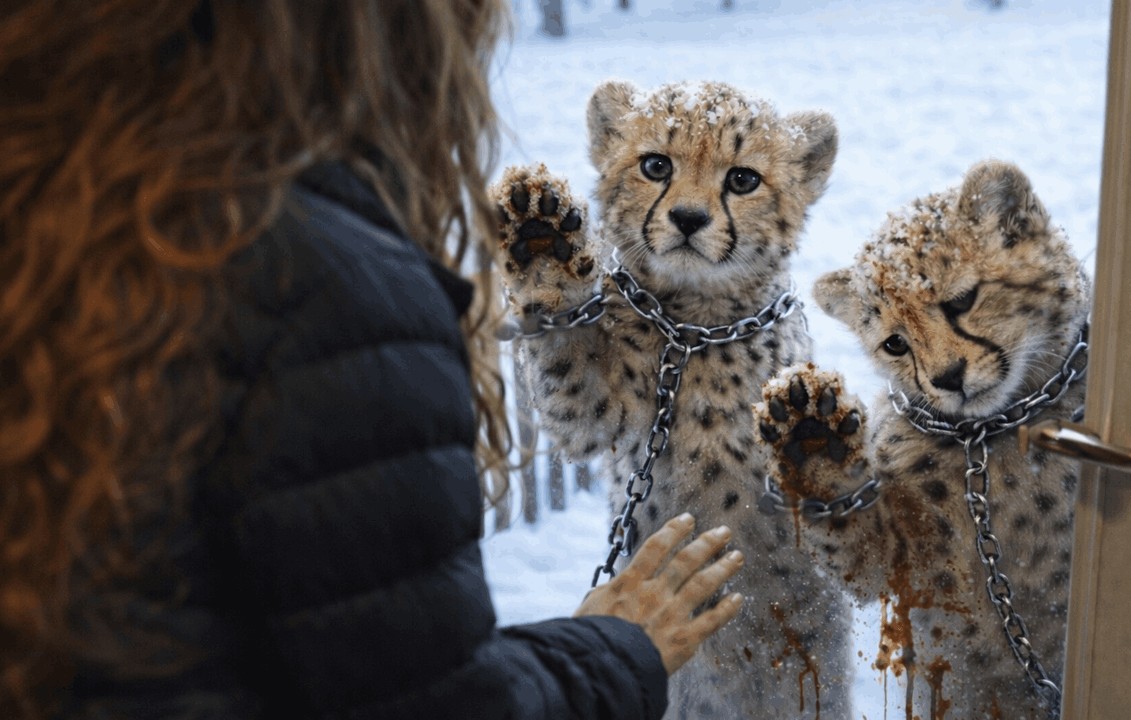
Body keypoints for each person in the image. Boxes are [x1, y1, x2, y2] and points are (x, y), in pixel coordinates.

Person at [0, 1, 745, 718]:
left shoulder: (53, 207)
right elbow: (435, 702)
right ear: (394, 39)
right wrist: (614, 650)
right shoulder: (320, 291)